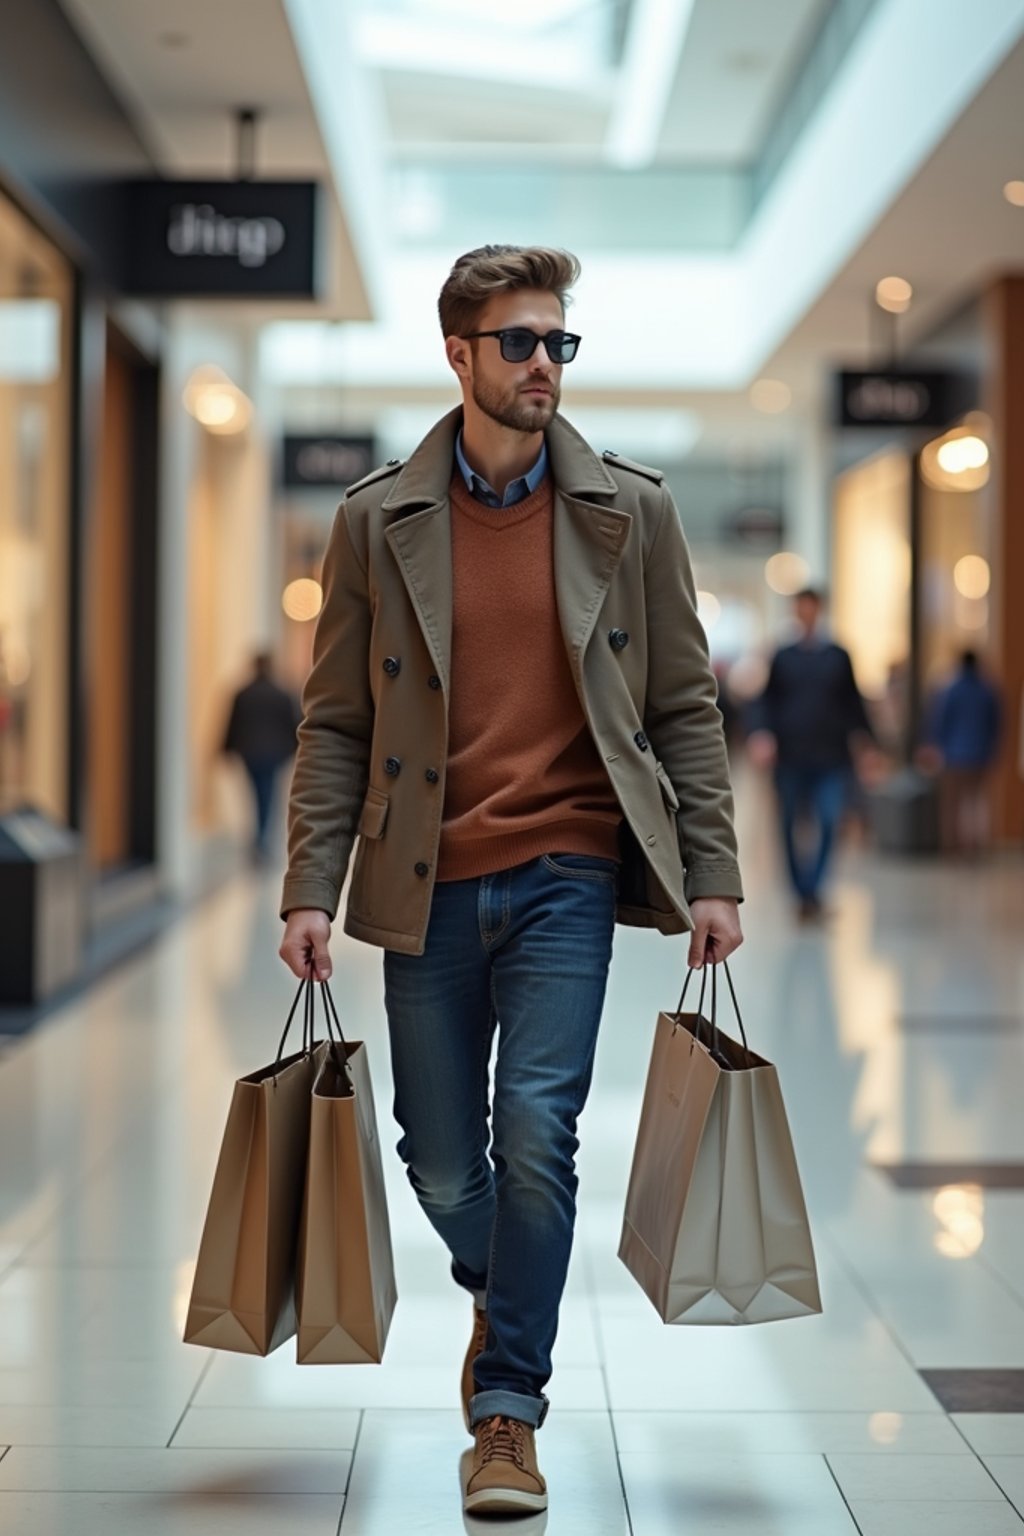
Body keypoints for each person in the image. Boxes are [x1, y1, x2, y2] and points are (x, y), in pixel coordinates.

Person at [278, 245, 743, 1518]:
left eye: (559, 344)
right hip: (423, 880)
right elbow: (334, 727)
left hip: (566, 876)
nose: (545, 365)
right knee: (438, 1158)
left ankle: (507, 1412)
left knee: (537, 1135)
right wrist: (307, 886)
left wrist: (714, 869)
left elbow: (684, 706)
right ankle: (507, 1288)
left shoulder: (629, 511)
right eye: (522, 343)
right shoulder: (377, 520)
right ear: (460, 356)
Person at [748, 587, 874, 920]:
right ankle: (801, 892)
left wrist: (867, 744)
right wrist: (762, 735)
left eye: (811, 608)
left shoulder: (838, 655)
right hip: (790, 756)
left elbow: (853, 702)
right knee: (789, 823)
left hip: (831, 756)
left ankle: (814, 889)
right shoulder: (783, 655)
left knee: (830, 820)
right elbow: (766, 701)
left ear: (819, 611)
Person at [222, 652, 301, 862]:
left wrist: (226, 749)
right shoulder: (282, 694)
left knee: (257, 794)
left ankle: (260, 839)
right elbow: (295, 725)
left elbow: (232, 724)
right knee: (268, 795)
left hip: (250, 754)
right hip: (275, 754)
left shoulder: (243, 694)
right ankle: (262, 840)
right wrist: (296, 751)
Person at [925, 650, 1002, 855]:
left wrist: (936, 746)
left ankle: (953, 848)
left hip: (954, 755)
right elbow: (996, 724)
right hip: (981, 755)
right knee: (977, 801)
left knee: (953, 805)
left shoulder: (952, 690)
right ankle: (976, 846)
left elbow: (940, 721)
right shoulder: (988, 691)